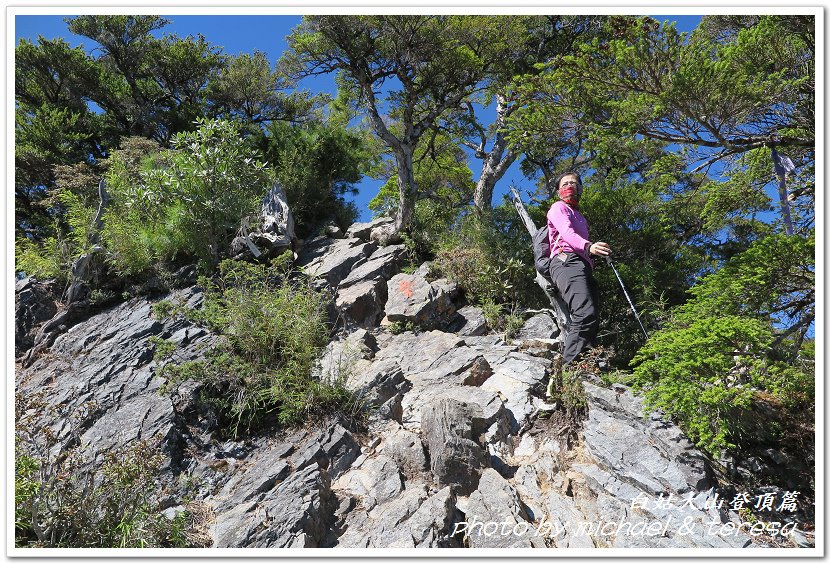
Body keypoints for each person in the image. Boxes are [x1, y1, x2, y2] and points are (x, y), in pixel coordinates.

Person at [546, 171, 611, 396]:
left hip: (582, 264)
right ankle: (564, 373)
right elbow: (566, 233)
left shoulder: (581, 216)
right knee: (584, 313)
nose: (570, 186)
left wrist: (590, 253)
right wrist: (589, 247)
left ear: (580, 188)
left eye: (573, 183)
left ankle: (584, 367)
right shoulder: (558, 208)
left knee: (592, 316)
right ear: (557, 190)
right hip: (566, 260)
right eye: (565, 184)